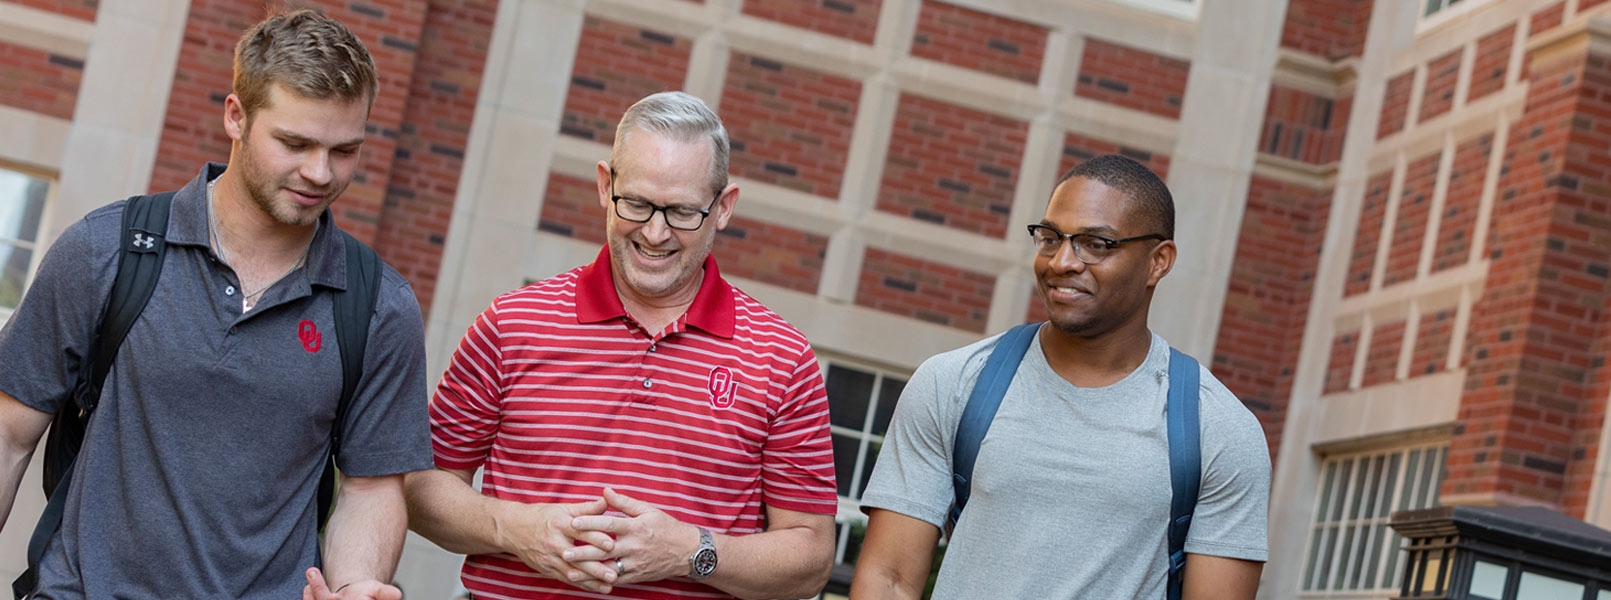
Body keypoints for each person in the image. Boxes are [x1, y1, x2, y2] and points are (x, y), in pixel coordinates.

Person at [0, 9, 431, 600]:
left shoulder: (379, 307)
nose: (319, 172)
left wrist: (356, 584)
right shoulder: (106, 252)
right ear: (236, 116)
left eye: (344, 150)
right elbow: (9, 434)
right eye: (294, 143)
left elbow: (370, 486)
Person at [405, 91, 838, 600]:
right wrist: (517, 530)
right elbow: (420, 490)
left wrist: (691, 551)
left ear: (723, 208)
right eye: (635, 203)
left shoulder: (781, 358)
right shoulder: (511, 324)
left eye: (681, 212)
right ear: (604, 185)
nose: (654, 233)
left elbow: (810, 556)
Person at [851, 155, 1272, 599]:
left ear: (1158, 261)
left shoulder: (1218, 429)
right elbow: (889, 580)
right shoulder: (954, 383)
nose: (1062, 262)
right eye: (1050, 238)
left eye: (1096, 244)